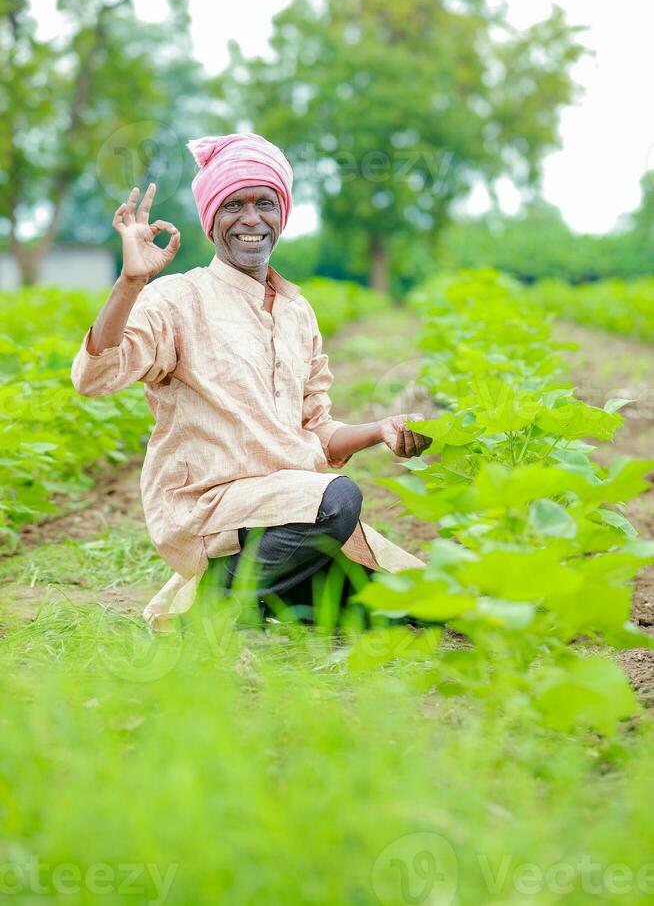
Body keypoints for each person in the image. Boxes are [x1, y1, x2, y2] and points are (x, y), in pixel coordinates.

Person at [70, 132, 431, 630]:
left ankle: (252, 604)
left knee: (416, 611)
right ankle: (216, 609)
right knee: (339, 498)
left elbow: (316, 429)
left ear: (282, 214)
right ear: (211, 218)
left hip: (291, 512)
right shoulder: (178, 299)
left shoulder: (296, 311)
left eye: (265, 203)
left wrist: (380, 429)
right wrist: (132, 283)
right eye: (233, 204)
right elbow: (97, 376)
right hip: (211, 508)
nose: (251, 218)